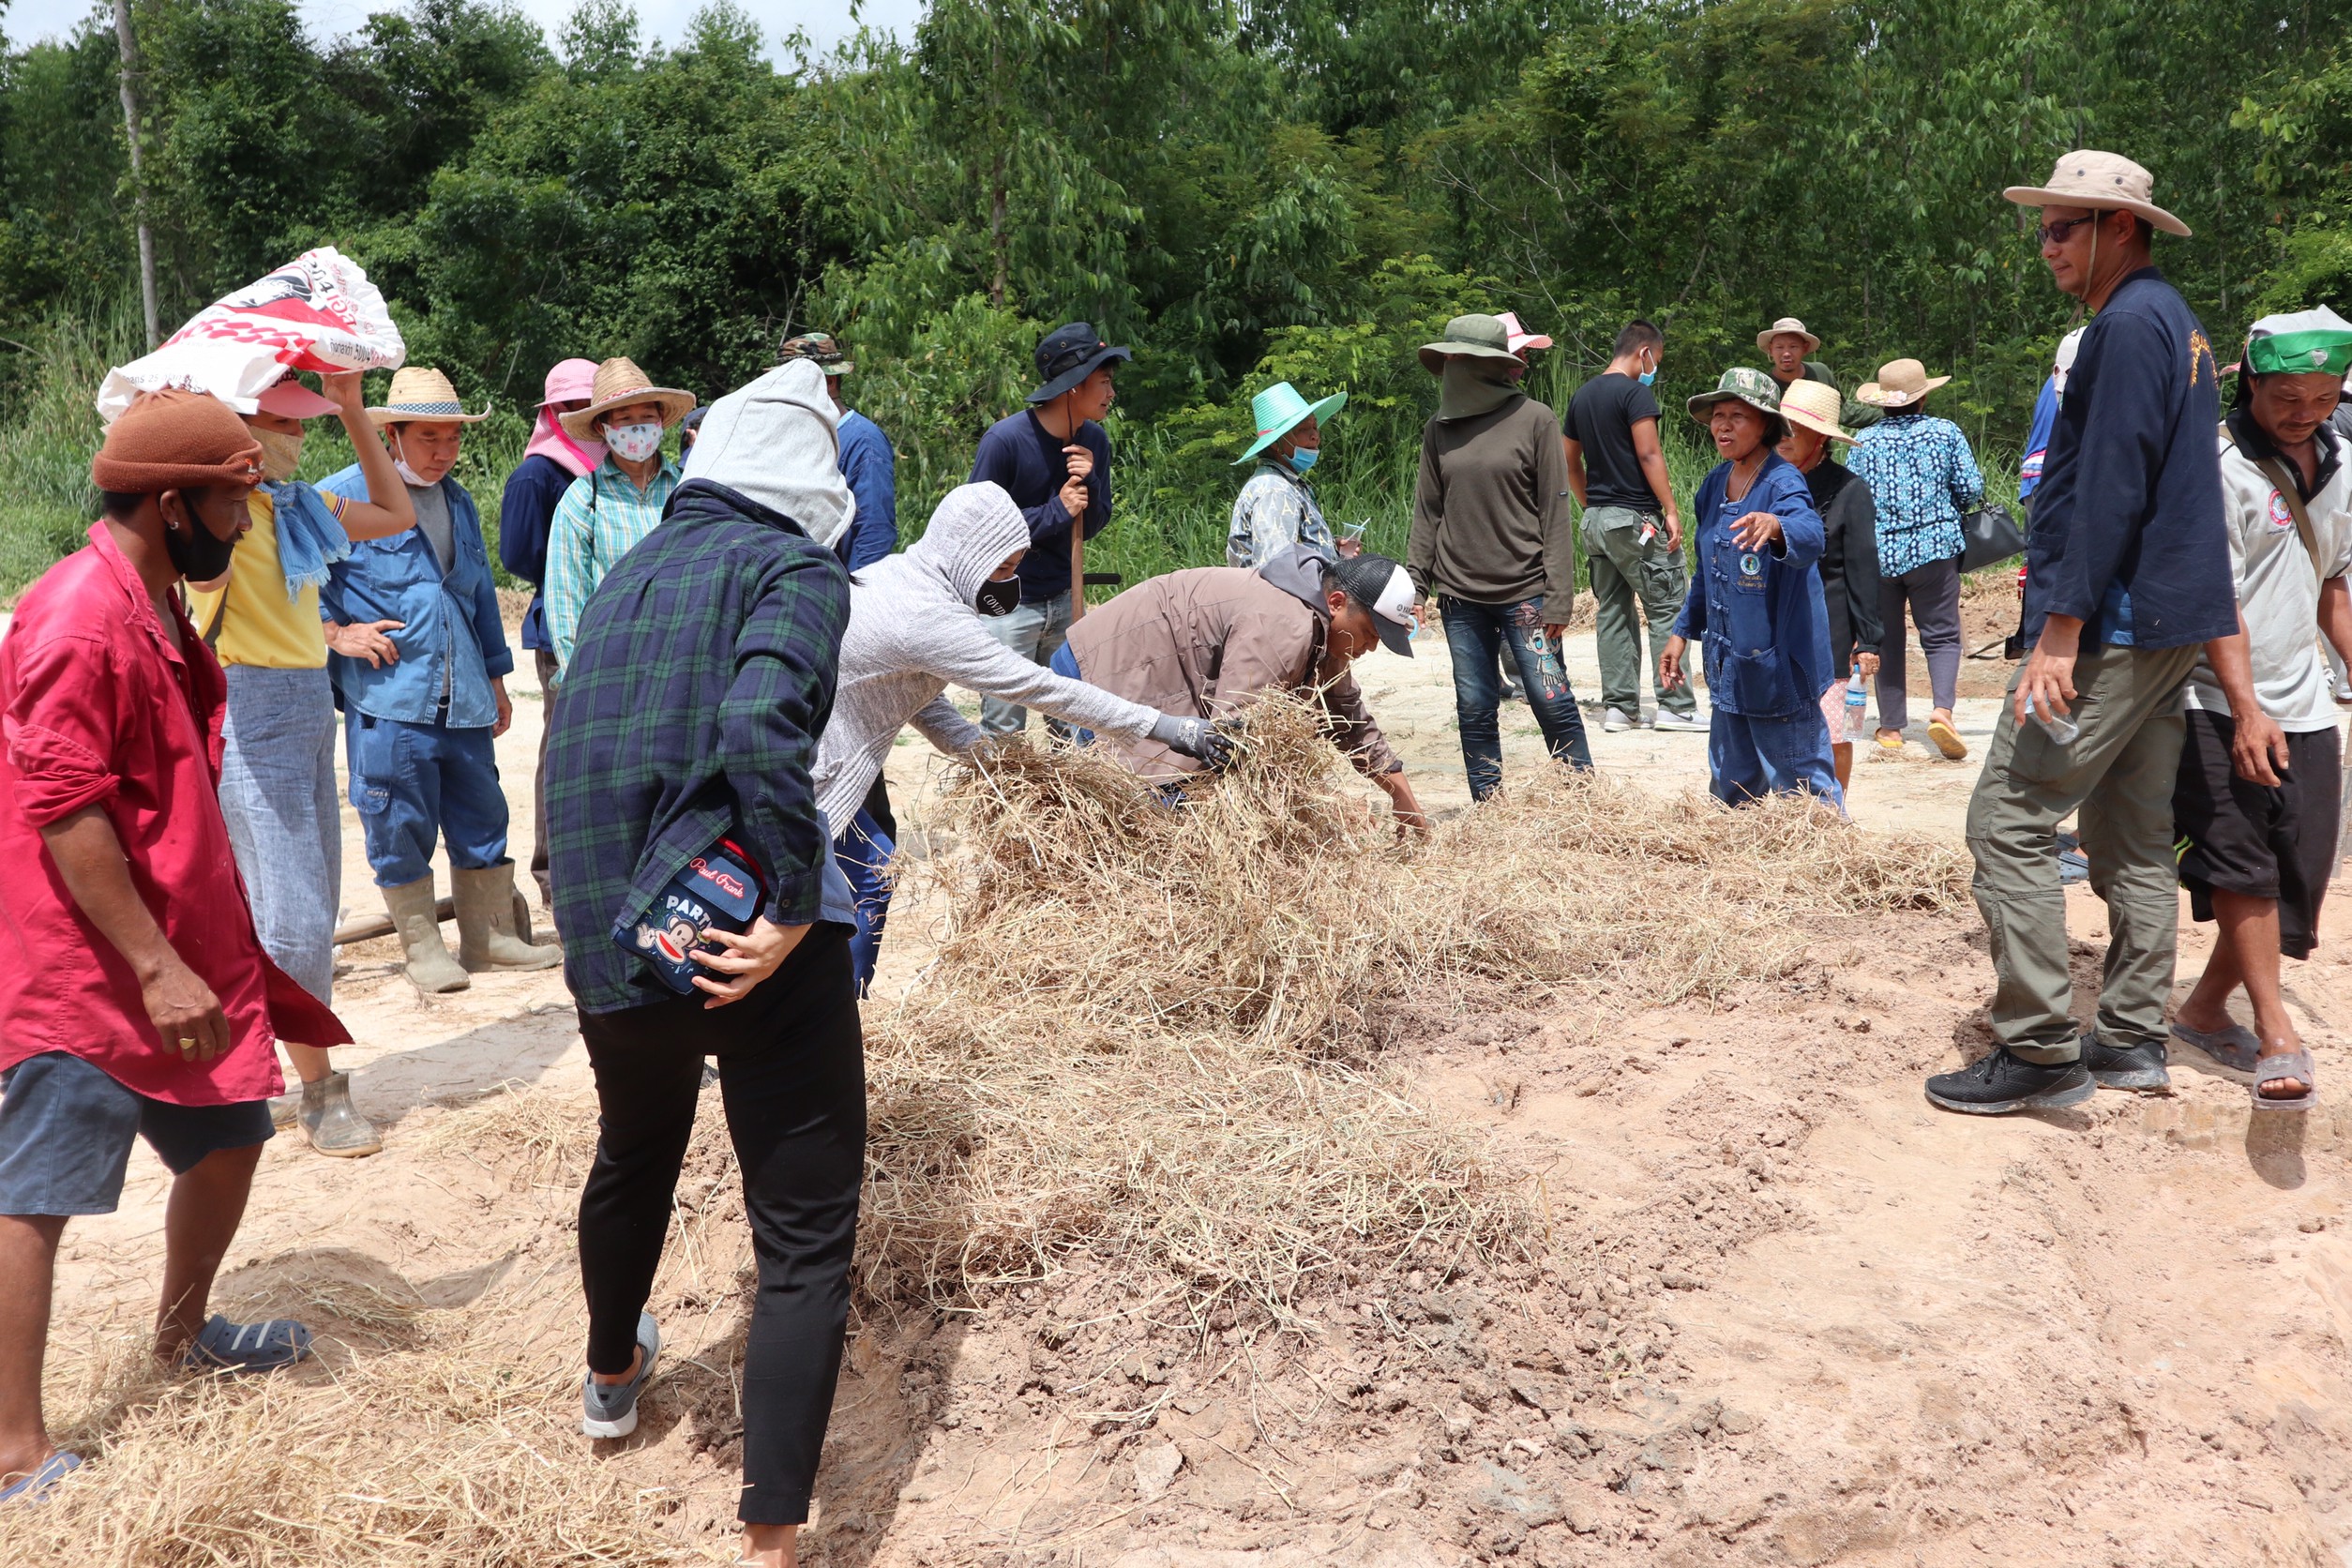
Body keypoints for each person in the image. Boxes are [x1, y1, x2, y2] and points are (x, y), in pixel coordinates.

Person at [543, 359, 863, 1568]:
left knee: (634, 1149)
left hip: (610, 933)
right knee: (804, 1234)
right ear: (810, 481)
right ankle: (773, 1537)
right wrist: (789, 902)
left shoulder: (626, 574)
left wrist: (575, 924)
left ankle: (613, 1376)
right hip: (741, 935)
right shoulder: (789, 566)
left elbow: (570, 742)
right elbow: (759, 730)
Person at [0, 393, 339, 1504]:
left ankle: (183, 1338)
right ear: (167, 500)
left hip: (175, 947)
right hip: (88, 967)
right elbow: (65, 808)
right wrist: (152, 962)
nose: (244, 522)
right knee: (34, 1196)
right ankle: (14, 1452)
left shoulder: (148, 596)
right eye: (233, 499)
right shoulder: (78, 617)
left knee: (231, 1134)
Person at [1924, 150, 2236, 1116]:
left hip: (2114, 622)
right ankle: (2135, 1036)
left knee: (2006, 819)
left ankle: (2041, 1047)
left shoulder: (2128, 328)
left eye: (2067, 226)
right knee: (2131, 830)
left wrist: (2059, 630)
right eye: (2047, 227)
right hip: (2163, 619)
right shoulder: (2168, 324)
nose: (2049, 243)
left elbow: (2109, 486)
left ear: (2123, 229)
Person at [816, 483, 1225, 991]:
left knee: (855, 870)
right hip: (825, 766)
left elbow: (906, 689)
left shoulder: (899, 575)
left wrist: (982, 754)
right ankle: (833, 1011)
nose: (1011, 583)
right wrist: (1165, 727)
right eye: (1004, 570)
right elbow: (1041, 687)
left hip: (834, 752)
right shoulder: (928, 617)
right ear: (969, 555)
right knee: (860, 881)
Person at [184, 371, 412, 1158]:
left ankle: (254, 1070)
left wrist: (354, 412)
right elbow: (203, 594)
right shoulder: (218, 514)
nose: (297, 437)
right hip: (251, 716)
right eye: (285, 422)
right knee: (294, 916)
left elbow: (395, 512)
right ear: (241, 427)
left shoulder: (298, 503)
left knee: (304, 900)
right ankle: (316, 1090)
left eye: (305, 424)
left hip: (311, 709)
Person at [321, 368, 562, 992]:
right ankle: (423, 947)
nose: (443, 452)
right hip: (390, 695)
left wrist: (498, 680)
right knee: (398, 818)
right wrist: (334, 634)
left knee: (483, 813)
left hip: (465, 698)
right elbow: (289, 582)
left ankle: (490, 939)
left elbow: (479, 595)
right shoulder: (338, 499)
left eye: (453, 439)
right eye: (428, 437)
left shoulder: (456, 500)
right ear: (390, 436)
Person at [2168, 309, 2352, 1111]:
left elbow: (2333, 585)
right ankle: (2276, 1031)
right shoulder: (2215, 464)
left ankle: (2206, 1009)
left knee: (2299, 872)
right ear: (2250, 381)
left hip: (2306, 700)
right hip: (2215, 697)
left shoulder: (2342, 461)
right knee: (2244, 861)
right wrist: (2245, 709)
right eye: (2286, 396)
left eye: (2323, 396)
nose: (2304, 412)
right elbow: (2219, 599)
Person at [1055, 545, 1429, 832]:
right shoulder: (1283, 624)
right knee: (1140, 819)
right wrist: (1324, 805)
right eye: (1372, 633)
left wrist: (1403, 799)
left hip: (1147, 678)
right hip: (1101, 670)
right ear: (1336, 603)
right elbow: (1235, 738)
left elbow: (1347, 717)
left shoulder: (1322, 625)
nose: (1373, 647)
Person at [1408, 313, 1591, 797]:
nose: (1450, 369)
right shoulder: (1438, 430)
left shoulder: (1535, 420)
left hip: (1526, 594)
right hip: (1460, 598)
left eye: (1458, 360)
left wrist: (1559, 596)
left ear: (1482, 366)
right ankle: (1489, 807)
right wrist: (1416, 584)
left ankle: (1581, 800)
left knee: (1550, 697)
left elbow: (1555, 513)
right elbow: (1427, 510)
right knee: (1474, 705)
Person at [1658, 369, 1838, 807]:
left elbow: (1809, 533)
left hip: (1778, 664)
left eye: (1737, 415)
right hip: (1728, 664)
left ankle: (1824, 863)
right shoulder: (1714, 485)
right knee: (1732, 787)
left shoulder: (1783, 482)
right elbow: (1707, 570)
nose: (1723, 425)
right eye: (1718, 415)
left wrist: (1776, 525)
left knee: (1803, 787)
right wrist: (1682, 632)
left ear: (1764, 423)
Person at [969, 322, 1129, 734]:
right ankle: (1000, 799)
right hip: (1008, 603)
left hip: (1066, 597)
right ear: (1074, 386)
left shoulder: (1095, 441)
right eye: (1104, 382)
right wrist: (1055, 511)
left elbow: (1092, 524)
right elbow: (977, 529)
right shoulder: (1004, 442)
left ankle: (1069, 801)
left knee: (1075, 723)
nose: (1112, 393)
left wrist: (1090, 483)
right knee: (1005, 726)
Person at [498, 357, 600, 923]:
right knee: (566, 748)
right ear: (552, 412)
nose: (579, 414)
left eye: (589, 404)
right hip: (560, 623)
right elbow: (516, 553)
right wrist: (568, 567)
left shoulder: (610, 465)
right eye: (570, 406)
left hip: (613, 622)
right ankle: (554, 875)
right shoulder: (540, 474)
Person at [1563, 318, 1698, 734]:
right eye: (1655, 359)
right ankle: (1675, 706)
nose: (1653, 367)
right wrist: (1670, 508)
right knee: (1666, 606)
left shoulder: (1582, 396)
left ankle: (1620, 709)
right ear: (1644, 352)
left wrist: (1594, 507)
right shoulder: (1635, 394)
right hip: (1636, 519)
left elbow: (1569, 461)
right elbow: (1649, 455)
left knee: (1614, 611)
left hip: (1596, 521)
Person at [1847, 356, 1984, 761]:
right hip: (1935, 550)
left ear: (1882, 403)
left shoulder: (1865, 441)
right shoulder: (1945, 432)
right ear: (1922, 399)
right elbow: (1971, 488)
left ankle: (1890, 727)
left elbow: (1854, 501)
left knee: (1885, 639)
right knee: (1941, 634)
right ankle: (1942, 711)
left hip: (1881, 556)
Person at [544, 357, 697, 675]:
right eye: (625, 418)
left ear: (660, 421)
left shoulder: (687, 489)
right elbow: (565, 596)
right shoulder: (584, 499)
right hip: (611, 664)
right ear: (603, 427)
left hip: (682, 659)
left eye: (646, 416)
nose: (637, 427)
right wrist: (578, 676)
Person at [1775, 380, 1883, 791]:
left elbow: (1863, 570)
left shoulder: (1849, 490)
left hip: (1833, 633)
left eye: (1794, 430)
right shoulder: (1769, 484)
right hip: (1779, 629)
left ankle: (1834, 813)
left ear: (1820, 438)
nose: (1783, 439)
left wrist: (1868, 640)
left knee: (1839, 731)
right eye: (1779, 428)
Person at [778, 333, 897, 570]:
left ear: (830, 382)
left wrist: (861, 596)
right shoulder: (799, 435)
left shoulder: (863, 442)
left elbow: (874, 530)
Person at [1227, 380, 1351, 569]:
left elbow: (1291, 547)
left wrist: (1329, 547)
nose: (1314, 436)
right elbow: (1278, 569)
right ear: (1276, 444)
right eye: (1302, 429)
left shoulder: (1286, 484)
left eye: (1315, 427)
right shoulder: (1275, 491)